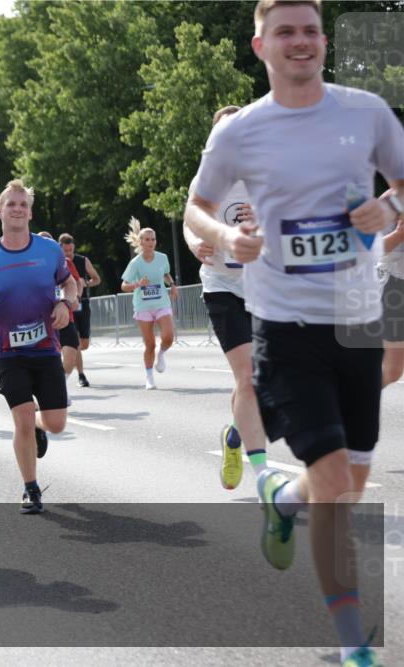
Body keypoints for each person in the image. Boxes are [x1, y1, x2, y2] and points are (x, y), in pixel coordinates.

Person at [184, 2, 403, 663]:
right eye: (286, 31)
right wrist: (227, 236)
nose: (300, 41)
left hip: (355, 318)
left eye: (310, 30)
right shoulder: (239, 133)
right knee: (335, 480)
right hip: (283, 323)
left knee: (347, 485)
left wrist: (386, 205)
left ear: (323, 40)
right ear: (261, 45)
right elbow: (194, 209)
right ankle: (352, 644)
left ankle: (281, 496)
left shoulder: (365, 113)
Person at [0, 180, 77, 515]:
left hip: (45, 348)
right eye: (11, 204)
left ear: (30, 212)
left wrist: (66, 305)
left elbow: (69, 283)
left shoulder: (49, 251)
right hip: (7, 352)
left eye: (23, 204)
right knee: (22, 419)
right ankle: (31, 488)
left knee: (55, 423)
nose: (17, 209)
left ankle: (42, 428)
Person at [183, 105, 270, 491]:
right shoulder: (206, 182)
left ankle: (233, 436)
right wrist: (195, 244)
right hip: (221, 285)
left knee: (262, 381)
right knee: (248, 377)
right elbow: (190, 222)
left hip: (264, 288)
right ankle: (264, 476)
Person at [120, 218, 178, 390]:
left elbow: (166, 274)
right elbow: (123, 286)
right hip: (143, 306)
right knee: (150, 344)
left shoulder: (162, 258)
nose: (151, 242)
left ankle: (162, 354)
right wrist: (138, 284)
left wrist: (173, 285)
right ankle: (149, 376)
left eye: (153, 239)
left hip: (161, 302)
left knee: (168, 336)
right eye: (147, 239)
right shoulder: (135, 263)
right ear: (140, 242)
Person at [58, 234, 102, 386]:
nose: (68, 254)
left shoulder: (83, 261)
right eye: (65, 251)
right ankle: (81, 375)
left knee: (84, 343)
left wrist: (86, 283)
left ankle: (69, 356)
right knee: (74, 341)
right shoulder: (59, 263)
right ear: (60, 248)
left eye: (71, 250)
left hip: (82, 304)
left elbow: (97, 279)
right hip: (66, 306)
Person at [55, 237, 85, 393]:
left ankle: (61, 385)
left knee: (71, 355)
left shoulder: (65, 262)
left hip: (66, 316)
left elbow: (77, 282)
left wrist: (76, 297)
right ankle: (51, 391)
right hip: (41, 320)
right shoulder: (30, 264)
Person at [379, 210, 404, 387]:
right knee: (392, 370)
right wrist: (400, 234)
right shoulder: (391, 202)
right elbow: (372, 249)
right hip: (395, 286)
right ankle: (349, 403)